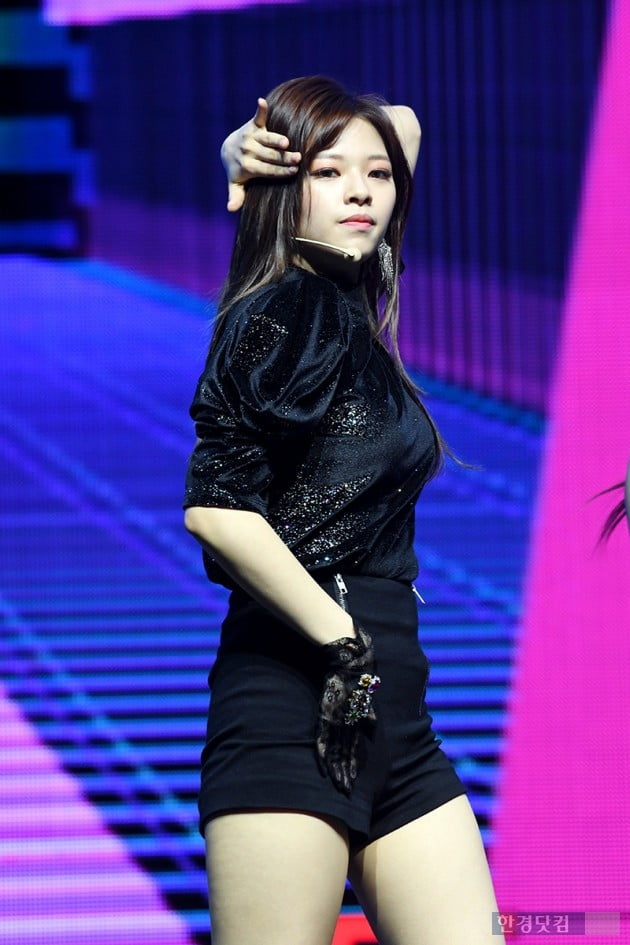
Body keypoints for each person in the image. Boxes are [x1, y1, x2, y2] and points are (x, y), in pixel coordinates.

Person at [183, 76, 504, 945]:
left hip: (397, 714)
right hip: (291, 705)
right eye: (327, 174)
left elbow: (403, 123)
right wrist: (341, 638)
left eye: (378, 176)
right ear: (286, 192)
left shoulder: (348, 293)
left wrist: (249, 151)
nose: (362, 190)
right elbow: (216, 511)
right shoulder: (285, 309)